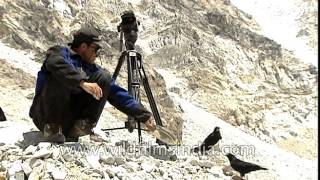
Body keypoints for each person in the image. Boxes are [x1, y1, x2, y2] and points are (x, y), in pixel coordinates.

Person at [29, 25, 156, 143]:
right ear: (83, 46)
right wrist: (81, 82)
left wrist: (143, 115)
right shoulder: (59, 52)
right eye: (95, 49)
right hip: (45, 116)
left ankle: (79, 128)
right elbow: (55, 63)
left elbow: (117, 94)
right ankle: (52, 128)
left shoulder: (92, 69)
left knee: (104, 78)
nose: (97, 54)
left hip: (69, 120)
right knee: (58, 74)